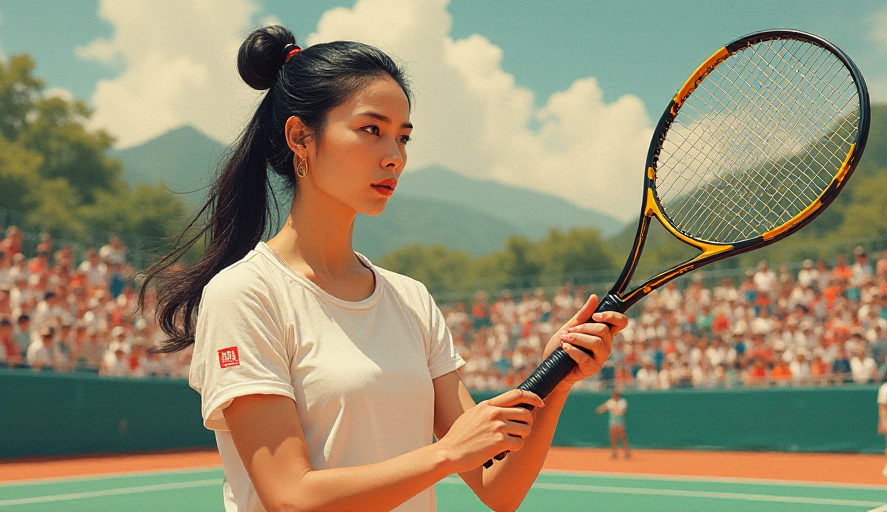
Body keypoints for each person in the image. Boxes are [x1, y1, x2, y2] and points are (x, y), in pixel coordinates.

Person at [139, 27, 625, 512]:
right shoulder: (246, 293)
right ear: (299, 137)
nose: (394, 156)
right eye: (371, 130)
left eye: (403, 137)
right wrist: (447, 453)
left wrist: (558, 379)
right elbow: (290, 497)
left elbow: (499, 487)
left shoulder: (411, 299)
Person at [595, 388, 631, 459]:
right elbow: (601, 408)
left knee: (622, 437)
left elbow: (620, 411)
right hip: (612, 422)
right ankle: (614, 452)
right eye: (614, 394)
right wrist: (601, 409)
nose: (614, 396)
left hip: (620, 422)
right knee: (613, 437)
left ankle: (627, 451)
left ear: (618, 395)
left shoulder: (623, 402)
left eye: (616, 394)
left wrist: (613, 407)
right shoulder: (610, 402)